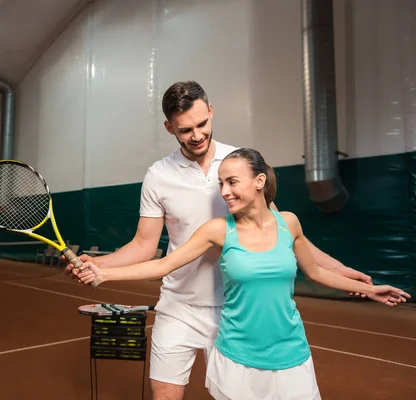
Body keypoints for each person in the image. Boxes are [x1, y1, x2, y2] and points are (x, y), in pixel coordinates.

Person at [64, 81, 373, 400]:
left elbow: (279, 231)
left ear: (211, 111)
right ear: (170, 128)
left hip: (234, 310)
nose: (196, 135)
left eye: (202, 123)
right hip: (178, 305)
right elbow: (144, 245)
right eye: (185, 130)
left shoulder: (238, 164)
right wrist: (99, 264)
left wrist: (338, 268)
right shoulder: (158, 176)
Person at [76, 147, 410, 400]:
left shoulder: (289, 223)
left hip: (291, 352)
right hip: (237, 356)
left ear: (259, 181)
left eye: (232, 182)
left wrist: (369, 289)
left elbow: (315, 272)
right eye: (221, 183)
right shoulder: (217, 230)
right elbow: (163, 264)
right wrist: (103, 273)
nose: (224, 191)